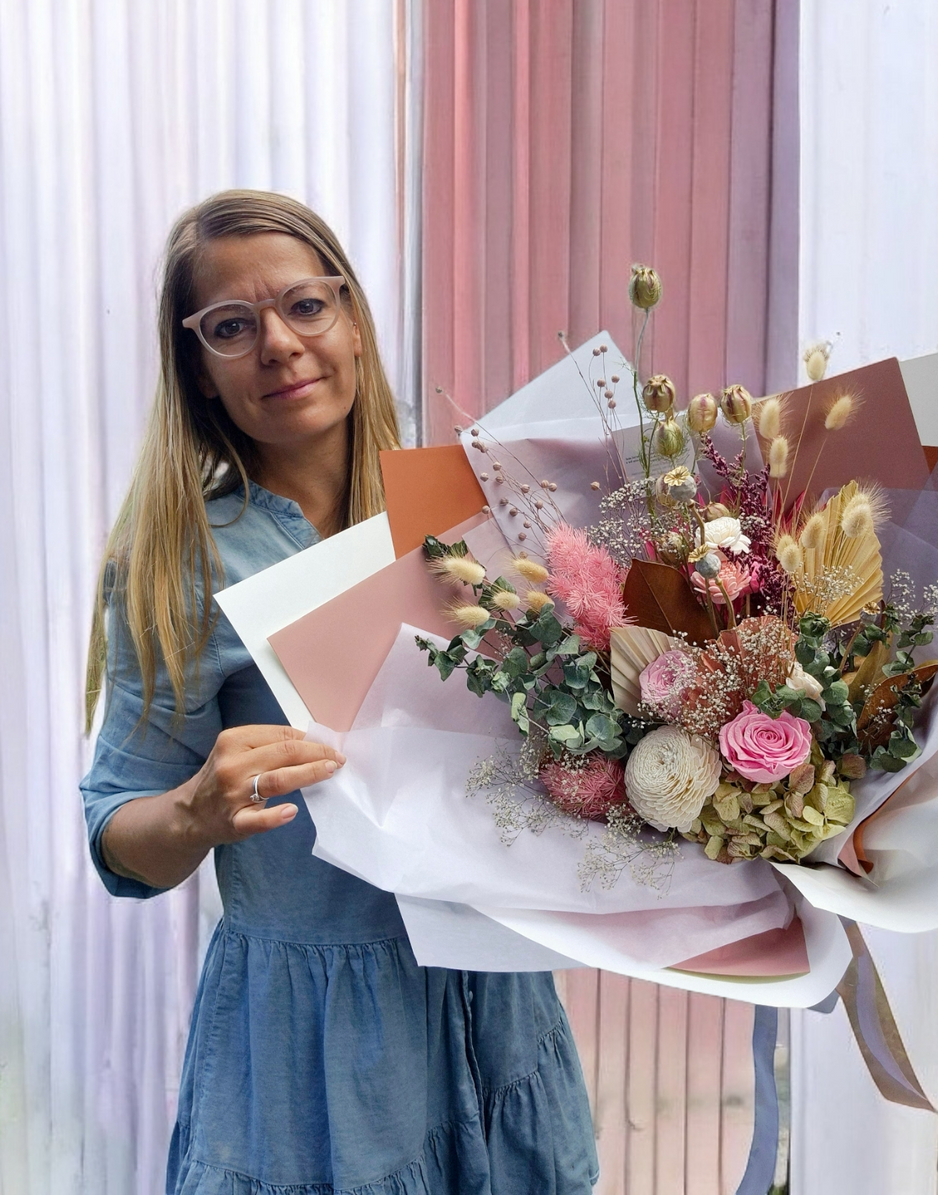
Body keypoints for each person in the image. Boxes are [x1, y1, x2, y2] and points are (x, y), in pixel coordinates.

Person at [80, 190, 598, 1194]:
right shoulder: (176, 560)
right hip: (311, 1046)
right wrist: (193, 812)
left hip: (492, 1005)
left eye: (304, 307)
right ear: (199, 369)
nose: (277, 344)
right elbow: (115, 840)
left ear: (351, 321)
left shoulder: (481, 513)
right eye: (231, 327)